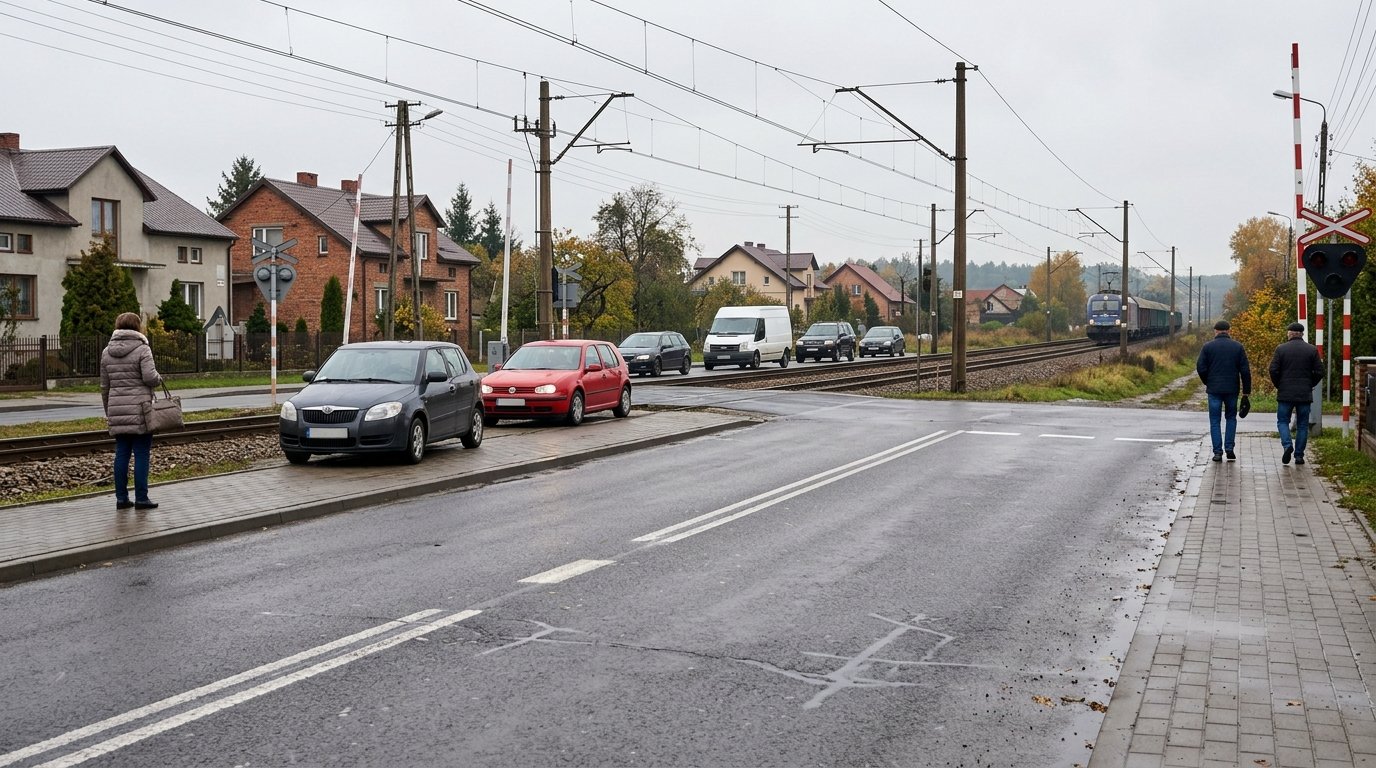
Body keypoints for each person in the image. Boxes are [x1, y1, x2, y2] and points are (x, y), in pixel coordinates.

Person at [100, 312, 163, 510]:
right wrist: (159, 378)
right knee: (142, 454)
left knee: (121, 454)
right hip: (140, 410)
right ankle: (142, 498)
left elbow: (104, 386)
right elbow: (150, 378)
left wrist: (109, 411)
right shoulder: (143, 349)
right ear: (137, 327)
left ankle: (121, 499)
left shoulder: (106, 352)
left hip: (117, 409)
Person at [1268, 321, 1325, 466]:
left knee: (1282, 421)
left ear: (1289, 333)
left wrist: (1279, 384)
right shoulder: (1311, 350)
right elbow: (1320, 371)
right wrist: (1309, 384)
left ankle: (1287, 445)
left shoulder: (1281, 349)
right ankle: (1299, 456)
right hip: (1304, 394)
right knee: (1302, 424)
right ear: (1302, 334)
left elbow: (1273, 370)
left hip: (1285, 393)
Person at [1196, 319, 1251, 463]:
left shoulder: (1208, 347)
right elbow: (1245, 370)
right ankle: (1229, 449)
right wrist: (1246, 391)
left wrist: (1208, 381)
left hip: (1214, 389)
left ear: (1215, 331)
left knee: (1215, 421)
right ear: (1229, 331)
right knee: (1231, 418)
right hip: (1232, 389)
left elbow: (1201, 367)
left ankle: (1217, 452)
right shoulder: (1238, 347)